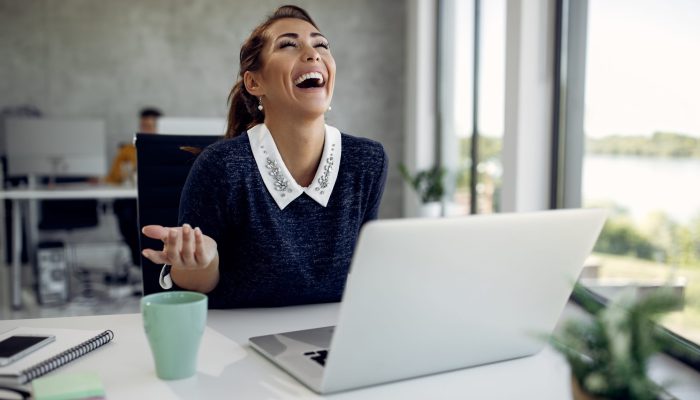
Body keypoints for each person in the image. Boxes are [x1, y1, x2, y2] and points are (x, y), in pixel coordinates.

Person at [141, 5, 388, 308]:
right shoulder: (221, 167)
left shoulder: (367, 161)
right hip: (237, 342)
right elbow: (195, 287)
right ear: (255, 83)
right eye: (288, 44)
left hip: (331, 340)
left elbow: (361, 272)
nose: (313, 54)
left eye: (321, 44)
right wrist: (198, 262)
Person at [106, 107, 162, 271]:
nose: (148, 129)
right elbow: (114, 177)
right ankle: (139, 261)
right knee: (126, 212)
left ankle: (150, 262)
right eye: (144, 125)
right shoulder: (128, 150)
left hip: (157, 197)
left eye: (152, 126)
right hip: (131, 197)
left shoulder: (167, 148)